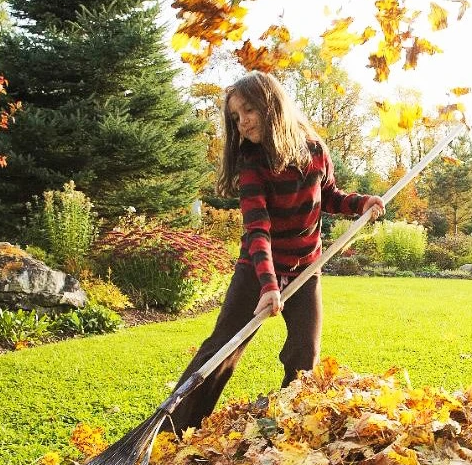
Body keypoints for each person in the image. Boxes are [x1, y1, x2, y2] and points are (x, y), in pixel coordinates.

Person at [164, 70, 385, 432]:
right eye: (236, 117)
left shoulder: (315, 151)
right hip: (257, 268)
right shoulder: (253, 164)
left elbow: (328, 195)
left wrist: (361, 203)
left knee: (304, 353)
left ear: (272, 105)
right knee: (222, 348)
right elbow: (257, 230)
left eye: (249, 111)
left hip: (305, 267)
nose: (243, 123)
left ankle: (290, 429)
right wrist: (268, 284)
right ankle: (173, 428)